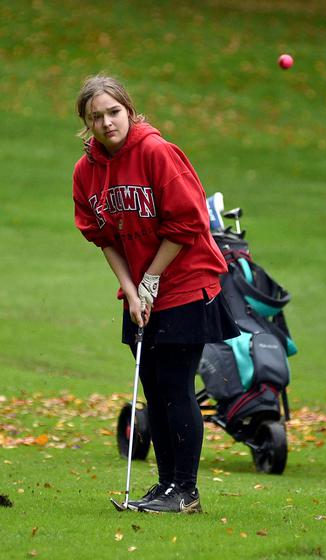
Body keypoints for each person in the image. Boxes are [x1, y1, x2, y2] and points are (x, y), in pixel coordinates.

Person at [73, 74, 240, 514]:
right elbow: (103, 235)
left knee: (175, 386)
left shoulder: (156, 153)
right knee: (153, 386)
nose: (108, 122)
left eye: (114, 112)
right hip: (140, 290)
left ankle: (186, 491)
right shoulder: (87, 171)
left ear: (128, 109)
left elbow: (188, 224)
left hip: (185, 282)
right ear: (86, 123)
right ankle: (166, 486)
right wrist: (131, 289)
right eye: (97, 116)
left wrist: (150, 279)